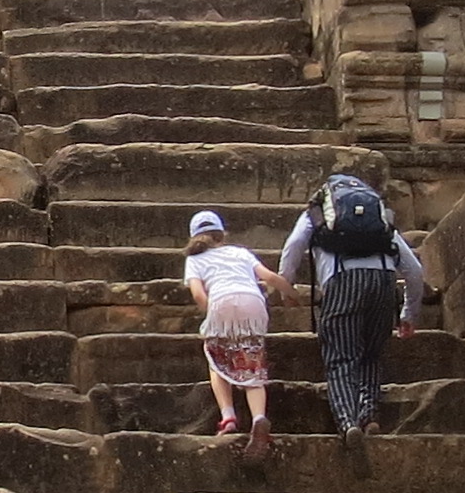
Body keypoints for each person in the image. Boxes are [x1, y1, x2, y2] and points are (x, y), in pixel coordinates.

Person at [279, 171, 425, 437]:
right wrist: (409, 314)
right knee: (371, 355)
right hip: (383, 281)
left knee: (341, 357)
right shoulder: (379, 220)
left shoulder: (318, 212)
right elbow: (414, 270)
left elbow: (294, 246)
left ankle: (348, 423)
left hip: (341, 280)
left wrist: (285, 287)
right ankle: (369, 416)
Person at [182, 210, 287, 456]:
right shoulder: (240, 252)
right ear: (221, 234)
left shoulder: (195, 259)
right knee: (253, 363)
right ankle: (259, 417)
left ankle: (228, 417)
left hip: (221, 302)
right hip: (254, 302)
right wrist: (291, 292)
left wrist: (212, 313)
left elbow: (198, 294)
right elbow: (270, 277)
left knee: (215, 355)